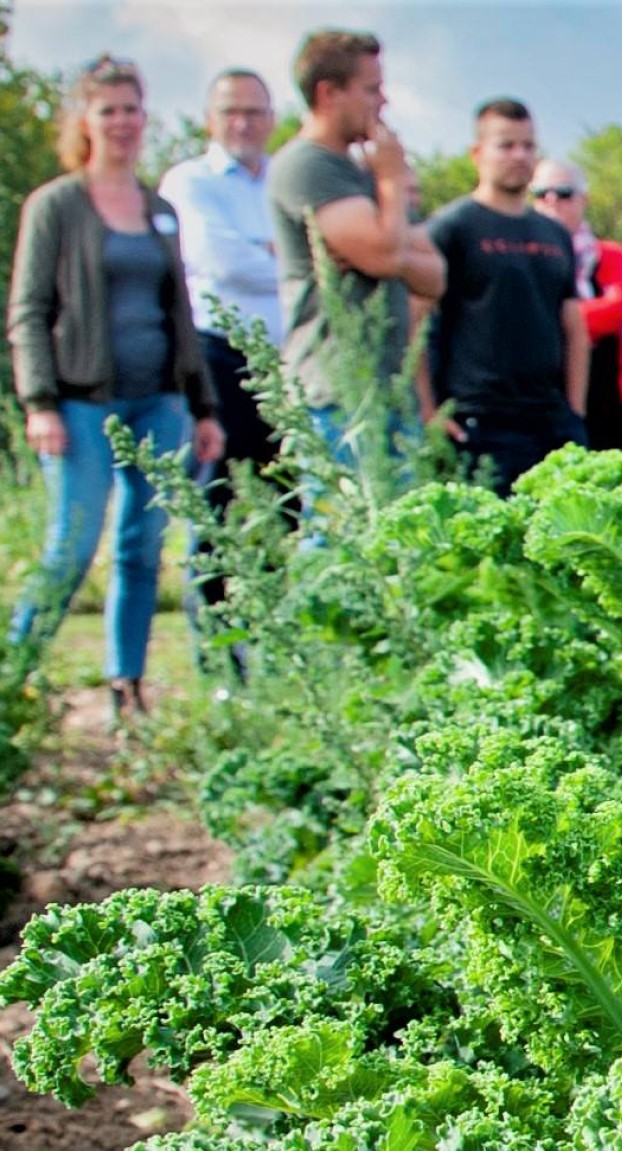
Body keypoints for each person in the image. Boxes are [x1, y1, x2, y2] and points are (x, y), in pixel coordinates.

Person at [8, 55, 223, 717]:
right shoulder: (56, 205)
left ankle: (126, 686)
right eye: (109, 110)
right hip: (80, 401)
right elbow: (29, 310)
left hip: (159, 400)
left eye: (132, 108)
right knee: (72, 544)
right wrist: (39, 400)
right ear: (85, 120)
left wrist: (202, 405)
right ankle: (13, 673)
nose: (123, 122)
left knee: (142, 545)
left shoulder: (159, 209)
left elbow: (182, 314)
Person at [266, 27, 445, 461]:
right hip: (337, 391)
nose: (383, 102)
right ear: (329, 93)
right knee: (338, 526)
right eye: (371, 89)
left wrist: (388, 246)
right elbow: (386, 255)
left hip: (387, 385)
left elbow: (435, 277)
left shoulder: (359, 172)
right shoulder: (307, 166)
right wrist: (390, 181)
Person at [159, 66, 282, 671]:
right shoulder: (190, 181)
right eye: (231, 111)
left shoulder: (281, 181)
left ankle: (271, 655)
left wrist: (267, 254)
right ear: (211, 119)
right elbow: (222, 261)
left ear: (271, 119)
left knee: (282, 509)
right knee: (215, 506)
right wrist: (282, 255)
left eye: (254, 112)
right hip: (217, 359)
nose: (243, 122)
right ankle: (216, 661)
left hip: (281, 369)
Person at [414, 100, 586, 495]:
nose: (519, 156)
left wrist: (575, 412)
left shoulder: (555, 234)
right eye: (506, 146)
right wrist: (427, 411)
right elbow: (416, 320)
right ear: (478, 154)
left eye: (528, 146)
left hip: (551, 420)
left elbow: (574, 327)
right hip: (479, 423)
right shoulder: (451, 227)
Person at [533, 157, 622, 455]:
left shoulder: (607, 255)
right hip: (540, 401)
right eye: (541, 193)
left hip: (604, 403)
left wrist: (554, 319)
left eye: (564, 192)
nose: (552, 200)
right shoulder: (524, 256)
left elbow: (621, 307)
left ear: (584, 199)